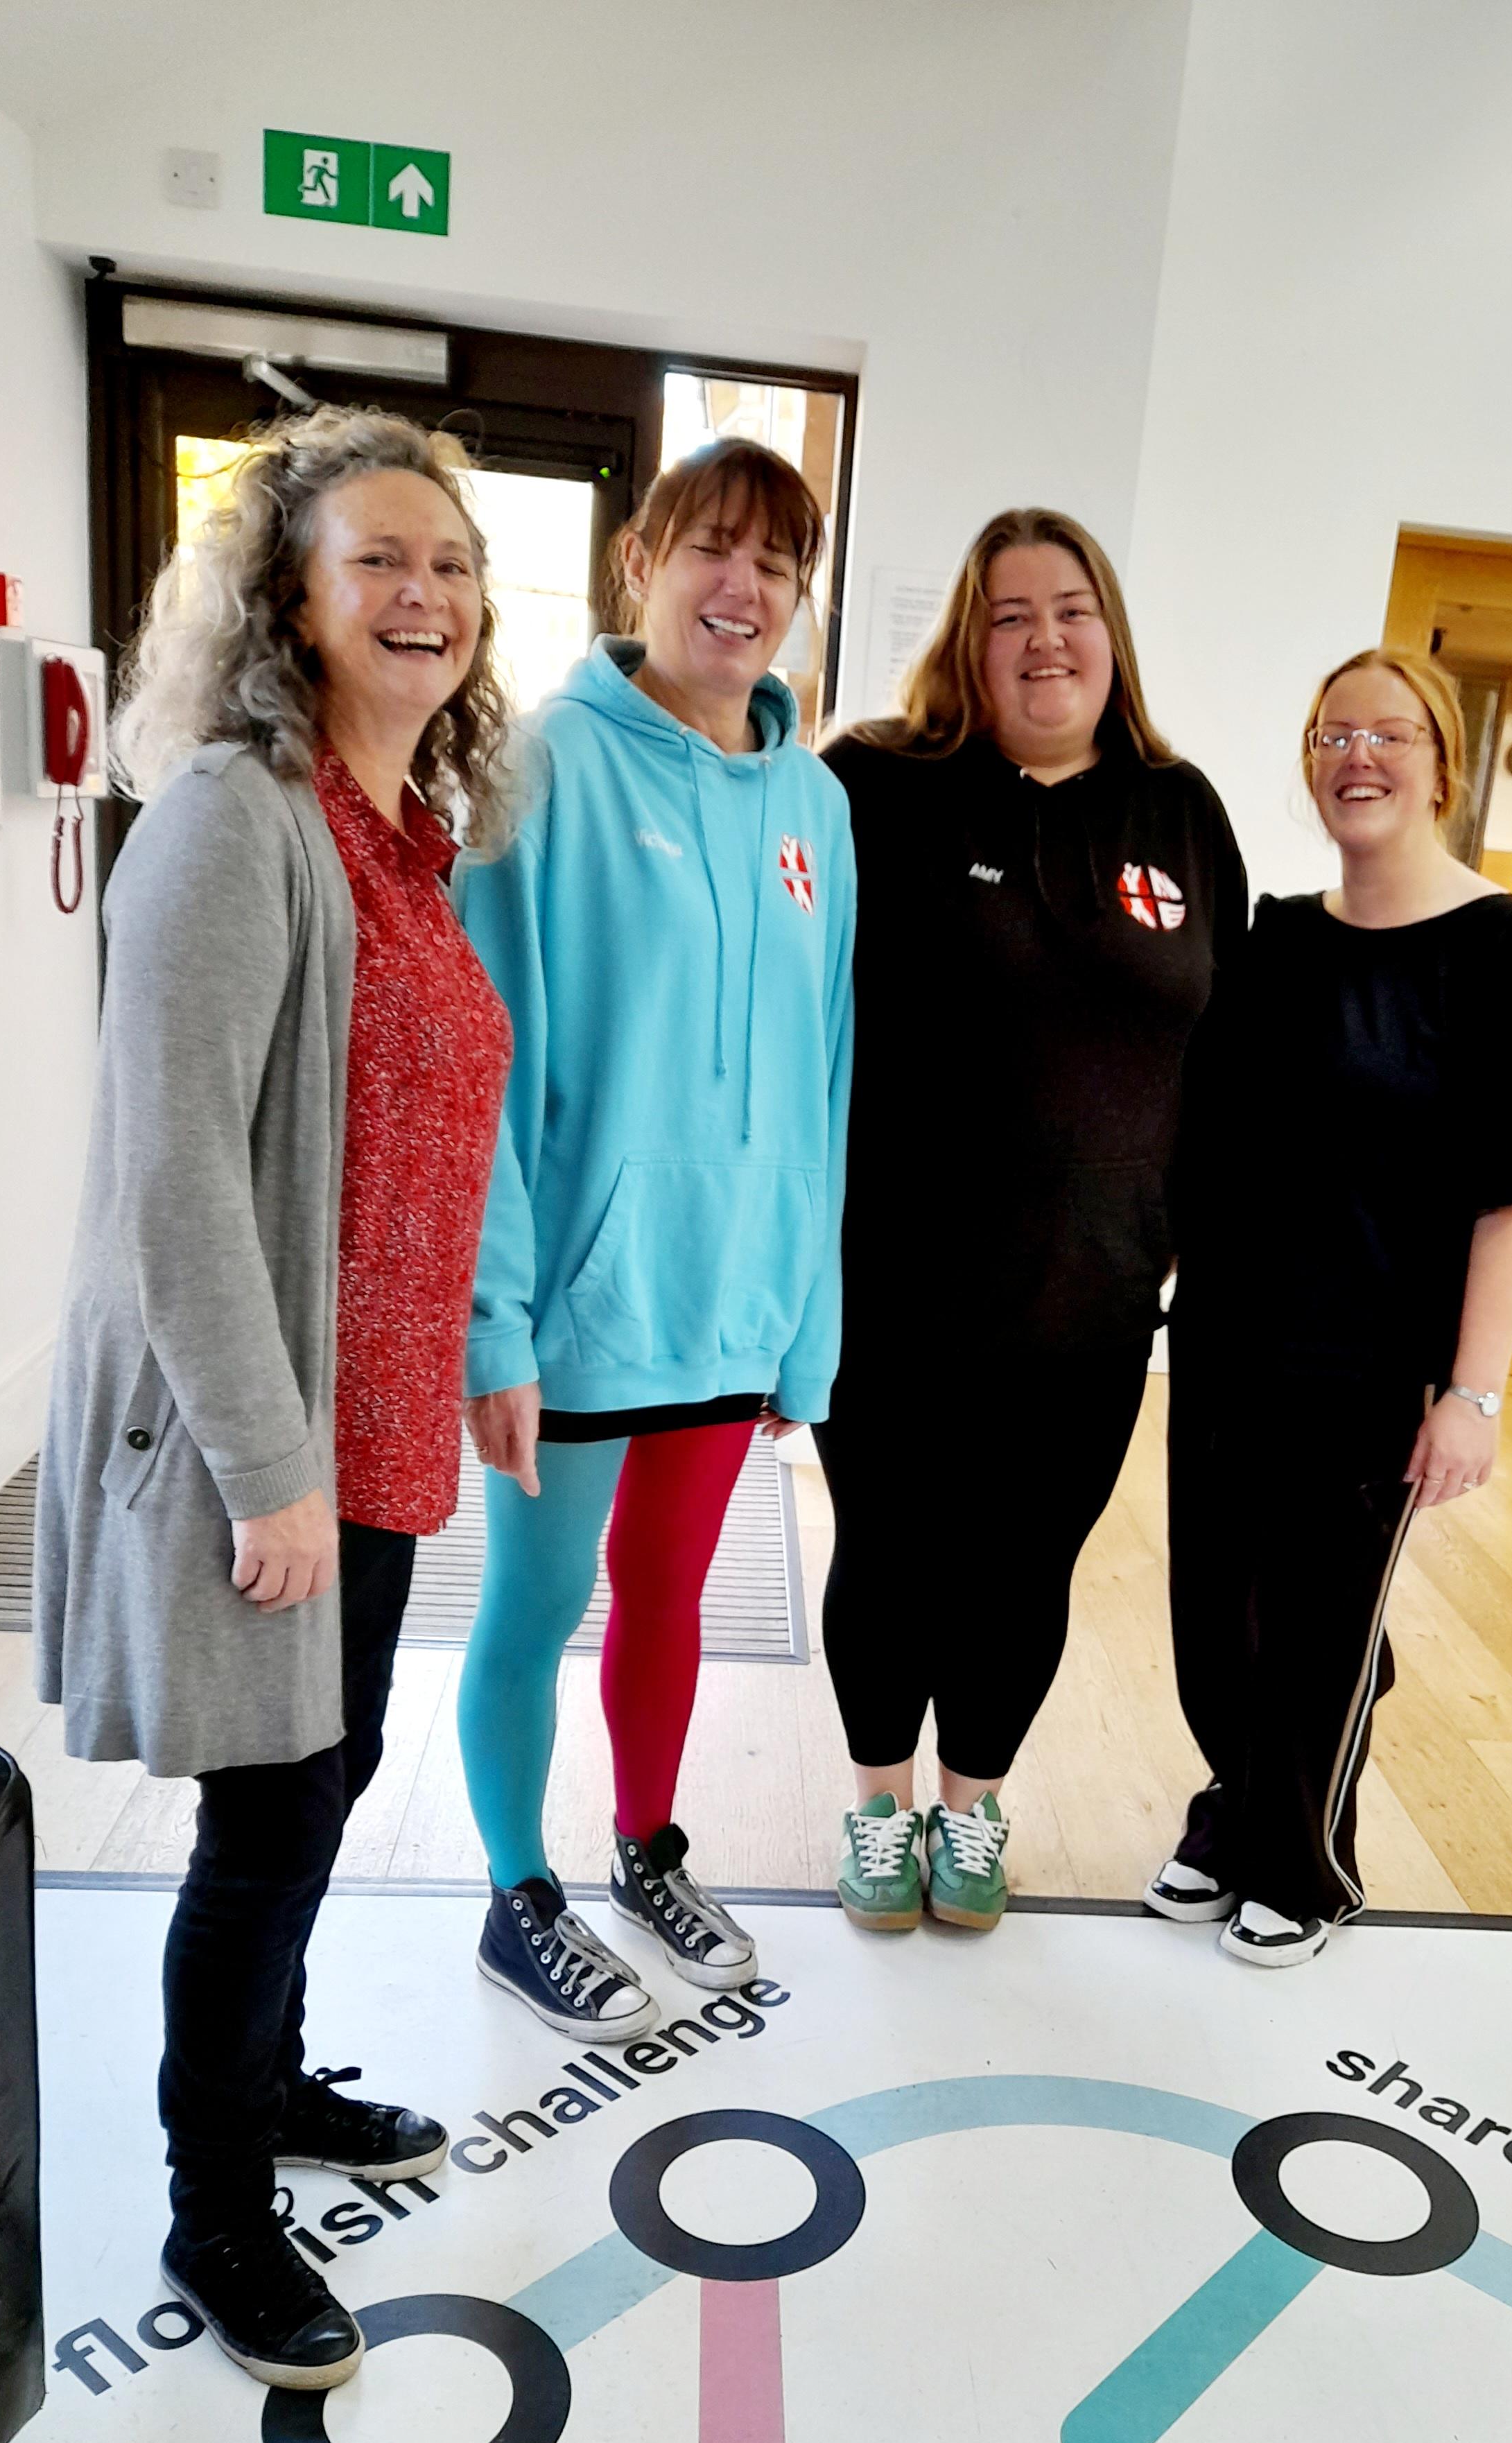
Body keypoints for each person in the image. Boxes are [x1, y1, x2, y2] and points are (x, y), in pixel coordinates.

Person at [34, 408, 514, 2385]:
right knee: (266, 1827)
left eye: (451, 565)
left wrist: (477, 1352)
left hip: (375, 1427)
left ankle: (273, 2081)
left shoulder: (400, 834)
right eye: (377, 558)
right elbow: (177, 1179)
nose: (423, 594)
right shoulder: (235, 818)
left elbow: (411, 1141)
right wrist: (265, 1465)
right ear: (287, 601)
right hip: (277, 1439)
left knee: (319, 1797)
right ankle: (215, 2201)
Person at [455, 439, 854, 2038]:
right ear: (641, 563)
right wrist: (494, 1324)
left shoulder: (816, 801)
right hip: (580, 1304)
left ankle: (645, 1850)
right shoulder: (545, 765)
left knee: (670, 1595)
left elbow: (826, 1071)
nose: (741, 587)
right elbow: (487, 1069)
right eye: (710, 548)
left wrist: (808, 1319)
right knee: (535, 1607)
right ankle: (517, 1897)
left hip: (733, 1294)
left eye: (777, 563)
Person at [815, 509, 1246, 1933]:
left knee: (1024, 1563)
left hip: (1093, 1297)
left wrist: (1193, 1238)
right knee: (889, 1550)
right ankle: (880, 1806)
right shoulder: (876, 783)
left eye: (1072, 610)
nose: (1045, 639)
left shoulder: (1180, 811)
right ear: (968, 640)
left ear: (1111, 635)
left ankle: (973, 1806)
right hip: (889, 1281)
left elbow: (1229, 1052)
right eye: (1010, 615)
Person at [1149, 647, 1512, 1966]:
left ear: (1442, 766)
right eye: (1334, 735)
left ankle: (1306, 1864)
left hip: (1372, 1359)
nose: (1358, 757)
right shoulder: (1278, 939)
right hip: (1228, 1336)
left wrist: (1475, 1394)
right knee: (1215, 1615)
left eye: (1389, 735)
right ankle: (1237, 1807)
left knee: (1320, 1623)